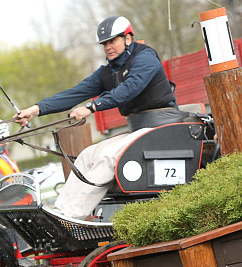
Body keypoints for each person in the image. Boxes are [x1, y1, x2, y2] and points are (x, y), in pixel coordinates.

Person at [14, 16, 188, 219]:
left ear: (128, 38)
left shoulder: (146, 57)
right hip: (139, 129)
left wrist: (92, 106)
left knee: (108, 157)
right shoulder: (107, 72)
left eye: (112, 41)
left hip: (163, 127)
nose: (108, 47)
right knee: (87, 155)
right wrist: (35, 109)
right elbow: (75, 92)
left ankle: (72, 217)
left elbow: (129, 89)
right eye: (104, 43)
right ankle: (60, 213)